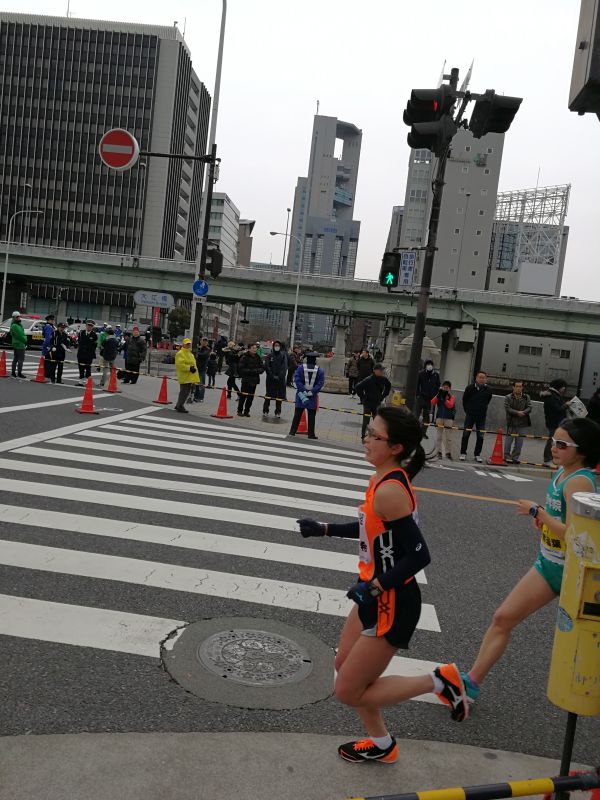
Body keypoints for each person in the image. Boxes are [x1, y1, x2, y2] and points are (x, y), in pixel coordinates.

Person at [297, 407, 469, 764]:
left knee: (347, 691)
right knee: (344, 665)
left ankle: (440, 681)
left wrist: (373, 588)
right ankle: (382, 744)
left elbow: (419, 555)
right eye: (368, 431)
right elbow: (373, 529)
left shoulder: (390, 489)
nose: (366, 439)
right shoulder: (383, 478)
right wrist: (326, 529)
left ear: (394, 447)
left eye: (374, 435)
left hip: (392, 601)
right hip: (374, 594)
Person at [459, 416, 600, 706]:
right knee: (502, 617)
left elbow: (574, 534)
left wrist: (539, 513)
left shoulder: (580, 480)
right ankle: (471, 683)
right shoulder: (562, 473)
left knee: (585, 644)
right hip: (548, 564)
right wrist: (545, 522)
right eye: (553, 441)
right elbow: (559, 523)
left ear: (582, 450)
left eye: (562, 444)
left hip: (572, 573)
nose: (554, 448)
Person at [288, 351, 325, 439]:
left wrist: (303, 390)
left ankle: (292, 431)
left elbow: (297, 379)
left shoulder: (300, 368)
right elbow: (320, 383)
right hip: (312, 396)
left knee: (298, 413)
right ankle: (311, 434)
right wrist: (312, 391)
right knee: (312, 415)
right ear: (315, 360)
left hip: (301, 395)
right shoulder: (320, 370)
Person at [460, 370, 493, 463]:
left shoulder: (489, 390)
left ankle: (477, 454)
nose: (482, 379)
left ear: (486, 379)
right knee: (466, 434)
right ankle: (463, 453)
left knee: (480, 436)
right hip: (470, 415)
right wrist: (468, 411)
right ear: (476, 378)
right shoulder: (469, 388)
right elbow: (464, 400)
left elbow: (488, 401)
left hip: (481, 417)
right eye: (480, 377)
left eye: (484, 378)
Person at [355, 363, 391, 439]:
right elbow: (358, 387)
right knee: (366, 421)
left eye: (382, 370)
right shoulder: (368, 379)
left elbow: (388, 386)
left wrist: (383, 396)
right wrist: (363, 397)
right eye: (380, 370)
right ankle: (363, 435)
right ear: (375, 371)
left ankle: (377, 435)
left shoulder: (383, 379)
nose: (382, 371)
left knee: (377, 421)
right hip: (368, 403)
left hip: (377, 403)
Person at [503, 380, 532, 464]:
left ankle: (515, 457)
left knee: (519, 442)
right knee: (508, 441)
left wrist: (524, 412)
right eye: (517, 386)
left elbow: (530, 407)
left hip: (522, 423)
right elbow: (507, 408)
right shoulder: (508, 397)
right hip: (511, 422)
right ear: (513, 387)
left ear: (522, 387)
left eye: (520, 386)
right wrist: (517, 412)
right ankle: (507, 457)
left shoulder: (526, 397)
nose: (518, 388)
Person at [541, 378, 568, 467]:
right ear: (558, 387)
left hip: (557, 422)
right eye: (563, 387)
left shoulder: (555, 395)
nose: (564, 389)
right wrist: (566, 406)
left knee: (554, 441)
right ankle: (547, 459)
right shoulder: (552, 396)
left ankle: (552, 459)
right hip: (553, 422)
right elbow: (557, 410)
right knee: (551, 441)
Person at [237, 343, 264, 417]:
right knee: (243, 396)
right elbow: (241, 368)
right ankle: (239, 410)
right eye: (253, 348)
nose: (255, 349)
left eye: (255, 348)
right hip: (246, 379)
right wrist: (251, 371)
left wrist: (257, 371)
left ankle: (247, 411)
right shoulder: (245, 357)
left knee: (250, 397)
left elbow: (262, 368)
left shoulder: (258, 357)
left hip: (254, 380)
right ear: (249, 349)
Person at [431, 380, 456, 460]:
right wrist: (438, 395)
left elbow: (450, 405)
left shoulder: (451, 397)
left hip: (449, 418)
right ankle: (439, 452)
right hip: (439, 418)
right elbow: (432, 402)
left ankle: (448, 452)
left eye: (447, 388)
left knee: (448, 437)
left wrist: (444, 399)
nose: (445, 389)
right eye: (444, 387)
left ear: (449, 389)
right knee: (439, 436)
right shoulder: (439, 395)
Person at [263, 340, 288, 417]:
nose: (277, 347)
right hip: (270, 379)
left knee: (279, 396)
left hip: (280, 379)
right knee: (268, 395)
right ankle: (265, 410)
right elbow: (267, 366)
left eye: (278, 345)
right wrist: (272, 375)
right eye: (275, 345)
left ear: (280, 347)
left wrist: (280, 376)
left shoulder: (283, 356)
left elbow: (284, 367)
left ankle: (277, 412)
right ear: (273, 347)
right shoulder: (269, 356)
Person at [174, 338, 199, 413]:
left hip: (189, 376)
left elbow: (193, 364)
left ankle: (179, 405)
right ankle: (180, 406)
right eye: (187, 344)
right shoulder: (180, 353)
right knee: (184, 392)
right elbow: (179, 365)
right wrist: (189, 368)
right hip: (184, 376)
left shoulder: (190, 353)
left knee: (185, 391)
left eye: (189, 344)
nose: (188, 345)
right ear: (183, 344)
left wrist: (192, 369)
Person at [416, 359, 441, 424]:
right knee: (417, 413)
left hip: (430, 398)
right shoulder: (421, 373)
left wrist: (435, 395)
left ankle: (423, 432)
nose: (429, 366)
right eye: (428, 364)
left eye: (431, 364)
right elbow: (417, 385)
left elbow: (438, 385)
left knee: (426, 416)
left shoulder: (436, 375)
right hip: (422, 396)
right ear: (425, 365)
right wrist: (418, 395)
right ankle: (415, 426)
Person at [76, 320, 98, 385]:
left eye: (91, 326)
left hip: (89, 354)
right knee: (81, 367)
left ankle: (88, 381)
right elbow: (79, 342)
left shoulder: (94, 335)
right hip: (81, 353)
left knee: (88, 367)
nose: (89, 327)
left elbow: (94, 345)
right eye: (88, 325)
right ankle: (81, 381)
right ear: (86, 326)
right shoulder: (81, 333)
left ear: (92, 327)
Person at [192, 337, 211, 403]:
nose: (204, 342)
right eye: (203, 341)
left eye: (206, 341)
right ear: (200, 341)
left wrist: (197, 352)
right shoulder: (198, 348)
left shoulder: (207, 349)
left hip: (202, 369)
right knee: (196, 383)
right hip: (196, 368)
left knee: (201, 384)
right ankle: (195, 396)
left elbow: (204, 355)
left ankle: (201, 397)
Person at [9, 311, 27, 378]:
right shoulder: (16, 325)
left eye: (19, 316)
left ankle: (13, 373)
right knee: (20, 359)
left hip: (16, 343)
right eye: (17, 317)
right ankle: (19, 373)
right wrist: (25, 339)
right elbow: (20, 335)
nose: (19, 318)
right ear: (13, 317)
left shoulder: (14, 324)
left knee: (16, 359)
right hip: (20, 344)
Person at [41, 314, 56, 381]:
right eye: (52, 320)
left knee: (49, 361)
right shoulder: (49, 327)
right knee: (48, 361)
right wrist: (49, 347)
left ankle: (48, 374)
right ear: (49, 320)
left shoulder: (50, 326)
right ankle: (47, 375)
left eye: (53, 320)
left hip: (49, 345)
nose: (53, 321)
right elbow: (48, 338)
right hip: (48, 346)